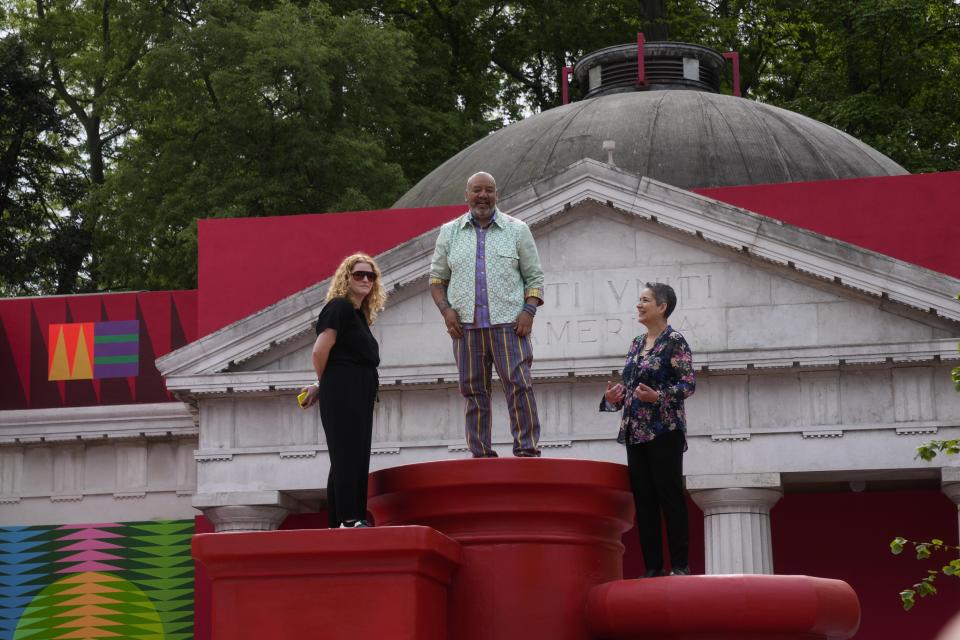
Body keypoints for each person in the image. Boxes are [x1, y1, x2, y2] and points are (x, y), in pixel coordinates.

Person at [429, 171, 545, 458]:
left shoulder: (517, 230)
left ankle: (527, 449)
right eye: (477, 190)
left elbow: (535, 278)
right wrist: (446, 312)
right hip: (465, 328)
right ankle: (480, 453)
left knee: (520, 386)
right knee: (473, 392)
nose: (483, 196)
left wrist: (528, 311)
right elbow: (436, 280)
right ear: (466, 195)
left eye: (489, 190)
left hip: (510, 325)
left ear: (497, 194)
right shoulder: (450, 232)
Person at [601, 282, 696, 576]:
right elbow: (631, 388)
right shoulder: (635, 343)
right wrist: (611, 400)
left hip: (664, 429)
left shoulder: (674, 341)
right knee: (644, 502)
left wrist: (659, 397)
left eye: (645, 300)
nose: (639, 306)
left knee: (669, 496)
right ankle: (652, 568)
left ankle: (680, 566)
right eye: (638, 300)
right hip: (635, 431)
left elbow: (688, 384)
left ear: (662, 306)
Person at [299, 253, 385, 528]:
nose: (365, 279)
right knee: (347, 453)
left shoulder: (359, 316)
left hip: (356, 390)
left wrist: (320, 385)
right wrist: (327, 385)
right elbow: (319, 352)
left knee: (352, 455)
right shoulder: (339, 307)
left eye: (370, 275)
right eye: (358, 274)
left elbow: (340, 357)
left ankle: (345, 519)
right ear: (345, 278)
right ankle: (350, 518)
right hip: (344, 390)